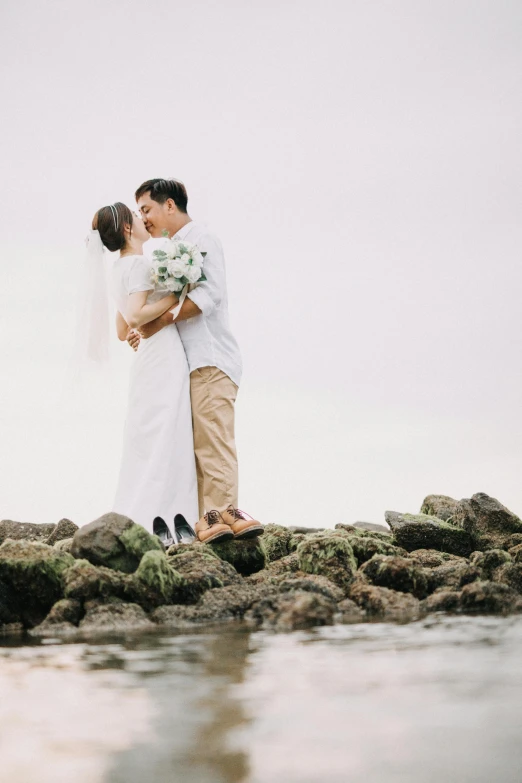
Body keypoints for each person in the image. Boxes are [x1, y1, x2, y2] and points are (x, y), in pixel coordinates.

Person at [125, 178, 263, 542]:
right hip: (184, 363)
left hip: (210, 356)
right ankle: (208, 520)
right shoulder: (171, 249)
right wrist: (147, 329)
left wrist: (157, 324)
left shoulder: (202, 239)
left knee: (213, 441)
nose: (144, 218)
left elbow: (209, 295)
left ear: (169, 205)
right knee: (195, 444)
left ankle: (222, 516)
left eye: (147, 209)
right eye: (139, 212)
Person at [90, 202, 229, 544]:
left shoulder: (117, 270)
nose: (142, 219)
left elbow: (123, 331)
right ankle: (168, 518)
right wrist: (177, 293)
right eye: (136, 215)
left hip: (147, 361)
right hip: (164, 355)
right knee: (170, 431)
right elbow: (136, 319)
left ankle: (150, 513)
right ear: (126, 228)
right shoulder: (138, 263)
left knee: (148, 435)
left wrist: (157, 302)